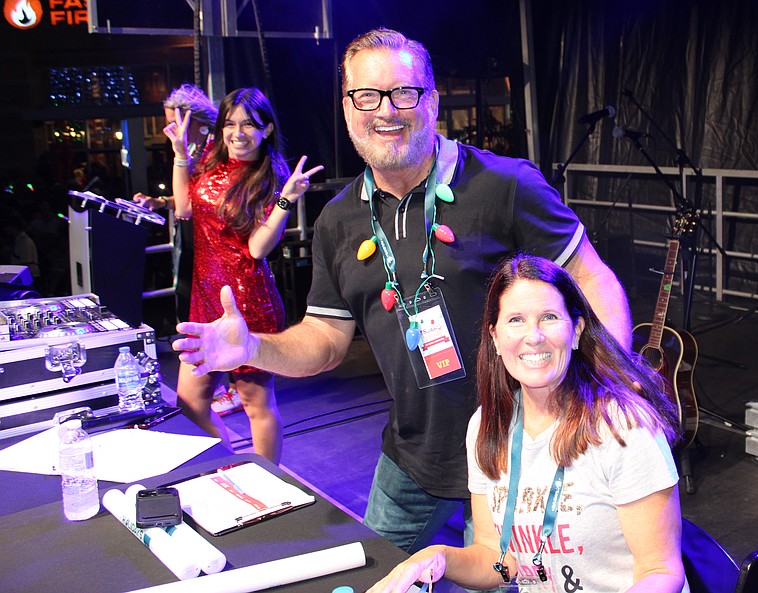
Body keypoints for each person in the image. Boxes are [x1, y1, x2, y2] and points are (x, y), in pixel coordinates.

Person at [172, 28, 630, 551]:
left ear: (432, 102)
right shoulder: (338, 220)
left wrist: (613, 388)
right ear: (347, 110)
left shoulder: (506, 186)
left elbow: (590, 277)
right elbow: (324, 338)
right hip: (413, 455)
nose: (385, 110)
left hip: (518, 450)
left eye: (403, 93)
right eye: (366, 96)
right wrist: (254, 346)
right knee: (377, 576)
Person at [367, 254, 685, 593]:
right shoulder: (487, 427)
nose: (533, 337)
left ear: (576, 331)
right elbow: (503, 564)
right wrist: (438, 557)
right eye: (516, 320)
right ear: (495, 337)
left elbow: (661, 571)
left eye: (548, 317)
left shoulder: (623, 426)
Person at [167, 87, 323, 464]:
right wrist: (179, 157)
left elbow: (256, 248)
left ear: (267, 129)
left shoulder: (270, 175)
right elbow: (185, 209)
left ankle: (266, 478)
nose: (237, 133)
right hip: (205, 298)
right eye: (230, 124)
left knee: (256, 404)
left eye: (249, 125)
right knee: (189, 404)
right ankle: (232, 464)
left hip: (247, 299)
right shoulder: (208, 159)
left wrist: (286, 200)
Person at [134, 84, 243, 416]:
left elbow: (190, 207)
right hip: (198, 250)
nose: (168, 130)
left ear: (193, 120)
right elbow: (185, 201)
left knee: (223, 320)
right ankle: (221, 385)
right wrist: (158, 201)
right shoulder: (196, 151)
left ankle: (234, 387)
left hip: (217, 253)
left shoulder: (214, 153)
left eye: (173, 122)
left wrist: (181, 156)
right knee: (202, 320)